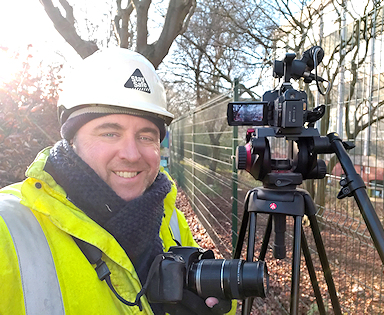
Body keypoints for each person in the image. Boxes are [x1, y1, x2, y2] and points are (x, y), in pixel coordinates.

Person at [0, 48, 233, 315]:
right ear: (72, 140)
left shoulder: (169, 218)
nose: (132, 154)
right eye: (110, 133)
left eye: (146, 136)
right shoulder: (8, 228)